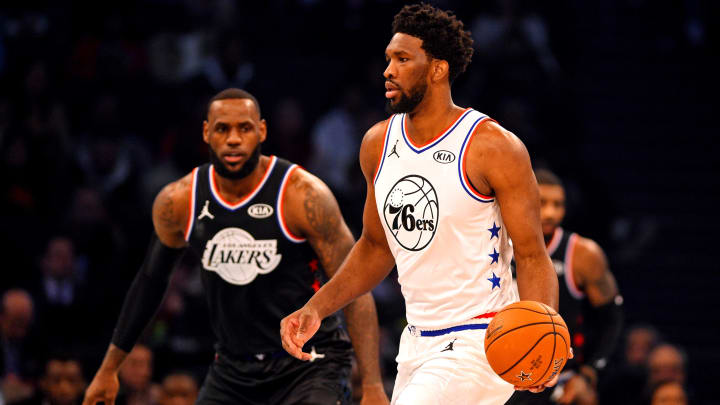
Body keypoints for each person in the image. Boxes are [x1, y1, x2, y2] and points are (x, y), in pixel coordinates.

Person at [281, 4, 559, 405]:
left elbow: (532, 254)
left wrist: (541, 332)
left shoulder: (492, 146)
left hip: (480, 339)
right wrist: (316, 308)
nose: (388, 70)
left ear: (438, 69)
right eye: (388, 59)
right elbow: (375, 248)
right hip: (416, 342)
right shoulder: (377, 144)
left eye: (403, 59)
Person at [82, 88, 388, 405]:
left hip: (310, 363)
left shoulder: (302, 194)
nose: (233, 139)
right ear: (206, 133)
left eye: (244, 128)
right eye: (222, 128)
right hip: (233, 369)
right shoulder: (179, 200)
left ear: (262, 131)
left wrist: (373, 384)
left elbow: (356, 286)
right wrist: (108, 369)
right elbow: (149, 283)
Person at [506, 168, 624, 405]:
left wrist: (589, 374)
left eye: (558, 204)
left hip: (557, 382)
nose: (550, 213)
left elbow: (611, 320)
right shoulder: (494, 244)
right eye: (542, 202)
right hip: (499, 372)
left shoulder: (582, 254)